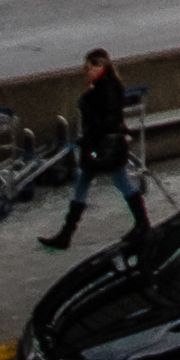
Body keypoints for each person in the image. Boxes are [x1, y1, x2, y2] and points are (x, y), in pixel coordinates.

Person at [41, 49, 142, 248]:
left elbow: (105, 121)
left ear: (100, 67)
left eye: (90, 68)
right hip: (106, 148)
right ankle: (142, 225)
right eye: (85, 68)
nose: (86, 72)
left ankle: (66, 235)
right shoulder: (106, 86)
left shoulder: (104, 89)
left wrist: (89, 141)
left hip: (99, 149)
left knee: (90, 179)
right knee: (113, 181)